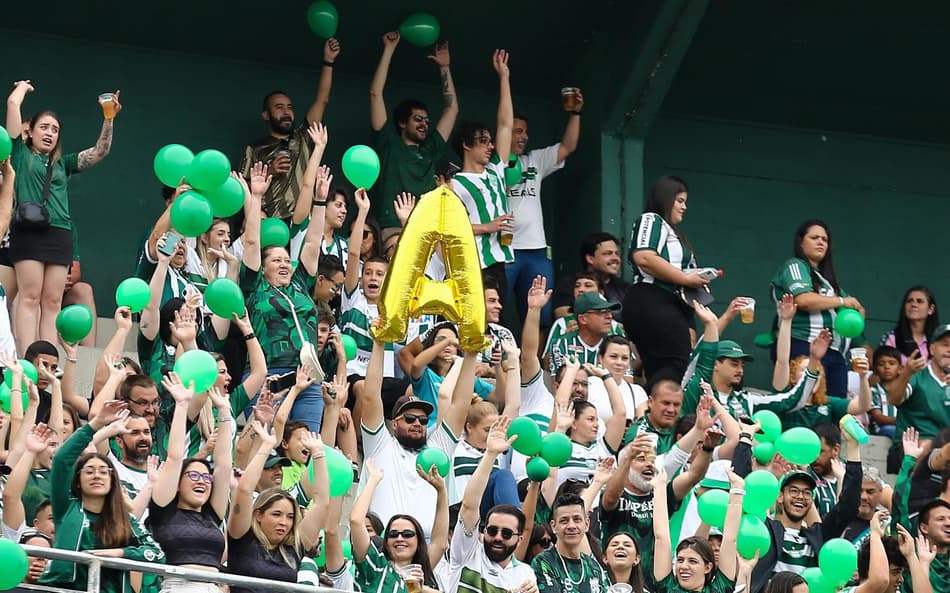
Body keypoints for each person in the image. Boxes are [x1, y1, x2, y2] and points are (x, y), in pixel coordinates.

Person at [5, 80, 121, 351]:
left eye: (55, 130)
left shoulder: (63, 163)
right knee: (30, 296)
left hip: (60, 234)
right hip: (28, 231)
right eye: (43, 127)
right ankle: (28, 356)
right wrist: (23, 87)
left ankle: (46, 357)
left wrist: (109, 118)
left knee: (53, 301)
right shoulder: (19, 153)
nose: (49, 133)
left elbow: (99, 152)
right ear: (29, 132)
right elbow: (12, 104)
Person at [40, 401, 165, 593]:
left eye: (103, 472)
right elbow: (62, 459)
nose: (97, 475)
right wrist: (96, 423)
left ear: (112, 481)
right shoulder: (66, 507)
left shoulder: (125, 518)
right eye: (89, 471)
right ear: (78, 481)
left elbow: (156, 554)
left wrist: (120, 553)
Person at [242, 161, 329, 431]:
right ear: (263, 266)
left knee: (305, 448)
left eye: (287, 260)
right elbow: (252, 242)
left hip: (307, 380)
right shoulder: (255, 286)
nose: (284, 265)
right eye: (276, 260)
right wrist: (256, 197)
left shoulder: (301, 283)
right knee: (264, 447)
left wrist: (320, 201)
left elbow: (313, 241)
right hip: (268, 378)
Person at [356, 336, 473, 538]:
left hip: (430, 550)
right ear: (394, 423)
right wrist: (379, 343)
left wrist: (472, 353)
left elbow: (461, 404)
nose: (418, 423)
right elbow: (370, 396)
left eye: (423, 420)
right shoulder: (380, 444)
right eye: (409, 418)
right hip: (384, 547)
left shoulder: (438, 447)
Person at [749, 426, 862, 592]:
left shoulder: (818, 536)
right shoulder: (765, 531)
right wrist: (745, 438)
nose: (800, 496)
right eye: (793, 490)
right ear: (780, 496)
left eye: (807, 492)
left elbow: (849, 506)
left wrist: (853, 447)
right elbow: (740, 495)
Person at [240, 38, 340, 218]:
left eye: (289, 107)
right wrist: (269, 171)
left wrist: (328, 61)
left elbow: (322, 100)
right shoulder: (255, 148)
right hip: (268, 221)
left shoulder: (304, 136)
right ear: (266, 115)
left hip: (301, 222)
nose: (286, 112)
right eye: (279, 107)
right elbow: (239, 187)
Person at [369, 31, 458, 230]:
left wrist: (444, 67)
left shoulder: (430, 148)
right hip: (393, 226)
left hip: (427, 227)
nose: (424, 124)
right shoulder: (389, 143)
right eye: (418, 119)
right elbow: (375, 94)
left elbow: (451, 109)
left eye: (427, 121)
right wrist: (389, 49)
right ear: (402, 122)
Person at [505, 97, 582, 327]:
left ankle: (534, 362)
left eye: (525, 132)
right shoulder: (489, 166)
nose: (524, 137)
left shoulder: (534, 160)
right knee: (493, 310)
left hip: (536, 250)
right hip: (502, 249)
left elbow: (567, 147)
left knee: (539, 315)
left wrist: (575, 114)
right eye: (518, 131)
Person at [226, 421, 328, 593]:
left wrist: (318, 454)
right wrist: (266, 445)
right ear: (258, 515)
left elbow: (322, 503)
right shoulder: (242, 538)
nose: (284, 522)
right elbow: (244, 490)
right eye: (277, 514)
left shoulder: (294, 548)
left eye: (290, 517)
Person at [769, 219, 867, 397]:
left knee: (833, 414)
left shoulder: (827, 282)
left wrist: (855, 311)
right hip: (803, 346)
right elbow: (804, 300)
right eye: (814, 237)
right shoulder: (795, 265)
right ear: (801, 242)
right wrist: (844, 302)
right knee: (802, 405)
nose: (821, 242)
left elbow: (857, 309)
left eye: (825, 239)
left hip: (835, 354)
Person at [623, 176, 705, 387]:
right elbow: (643, 256)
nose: (684, 207)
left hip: (674, 306)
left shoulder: (677, 234)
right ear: (665, 198)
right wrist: (686, 278)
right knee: (672, 369)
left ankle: (655, 411)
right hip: (651, 298)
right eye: (679, 201)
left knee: (668, 369)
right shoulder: (652, 219)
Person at [446, 415, 538, 593]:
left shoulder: (525, 574)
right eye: (492, 530)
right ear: (483, 531)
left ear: (519, 539)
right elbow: (469, 505)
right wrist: (490, 454)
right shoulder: (468, 553)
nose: (498, 537)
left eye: (507, 533)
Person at [680, 303, 819, 420]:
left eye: (742, 365)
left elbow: (791, 401)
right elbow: (700, 356)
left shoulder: (747, 400)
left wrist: (814, 360)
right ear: (715, 364)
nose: (740, 370)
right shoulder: (696, 391)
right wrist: (719, 321)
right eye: (734, 364)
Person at [452, 49, 515, 294]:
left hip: (500, 262)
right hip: (473, 263)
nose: (491, 146)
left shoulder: (496, 170)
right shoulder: (455, 184)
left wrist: (504, 78)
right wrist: (487, 227)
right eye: (483, 141)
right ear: (467, 145)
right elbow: (450, 228)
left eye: (491, 141)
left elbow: (505, 124)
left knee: (496, 319)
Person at [350, 458, 448, 593]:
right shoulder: (376, 566)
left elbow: (440, 543)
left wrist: (441, 491)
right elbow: (356, 521)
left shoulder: (420, 572)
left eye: (407, 534)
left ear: (418, 541)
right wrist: (373, 480)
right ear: (386, 541)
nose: (400, 538)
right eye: (393, 534)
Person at [652, 466, 743, 593]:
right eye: (680, 560)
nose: (683, 566)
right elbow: (661, 537)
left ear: (707, 567)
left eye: (692, 561)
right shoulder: (668, 588)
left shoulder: (719, 589)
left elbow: (730, 539)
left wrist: (737, 490)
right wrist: (659, 488)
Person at [532, 492, 610, 593]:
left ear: (586, 524)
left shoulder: (594, 566)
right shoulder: (542, 562)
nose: (571, 526)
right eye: (564, 521)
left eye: (577, 519)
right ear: (553, 526)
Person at [887, 323, 950, 447]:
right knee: (926, 445)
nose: (949, 349)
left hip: (945, 450)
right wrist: (906, 373)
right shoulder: (917, 376)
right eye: (945, 344)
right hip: (912, 448)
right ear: (932, 349)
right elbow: (894, 399)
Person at [552, 232, 627, 322]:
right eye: (608, 253)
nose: (615, 258)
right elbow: (566, 320)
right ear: (590, 259)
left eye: (617, 253)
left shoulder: (624, 288)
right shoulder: (571, 284)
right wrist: (614, 327)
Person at [548, 291, 623, 374]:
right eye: (602, 312)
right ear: (583, 319)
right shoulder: (562, 344)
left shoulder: (618, 346)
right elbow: (560, 383)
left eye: (609, 311)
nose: (609, 316)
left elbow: (627, 382)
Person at [880, 285, 939, 363]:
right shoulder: (891, 338)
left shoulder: (940, 341)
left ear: (931, 309)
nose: (913, 304)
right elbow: (882, 372)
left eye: (919, 301)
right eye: (909, 301)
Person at [867, 346, 901, 438]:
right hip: (882, 429)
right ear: (875, 369)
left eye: (892, 363)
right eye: (881, 364)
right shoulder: (873, 391)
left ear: (900, 368)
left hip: (902, 427)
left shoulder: (905, 390)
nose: (887, 367)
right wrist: (902, 421)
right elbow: (879, 418)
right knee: (892, 430)